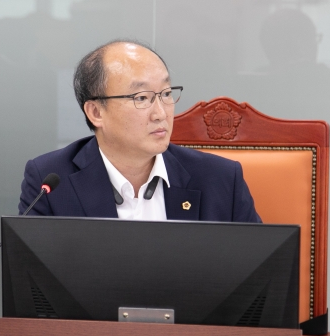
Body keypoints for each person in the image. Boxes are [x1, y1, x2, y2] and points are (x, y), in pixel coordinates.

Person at [18, 40, 260, 222]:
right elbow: (33, 273)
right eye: (141, 97)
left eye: (166, 94)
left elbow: (257, 271)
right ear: (96, 112)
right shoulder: (50, 182)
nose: (161, 113)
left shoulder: (221, 179)